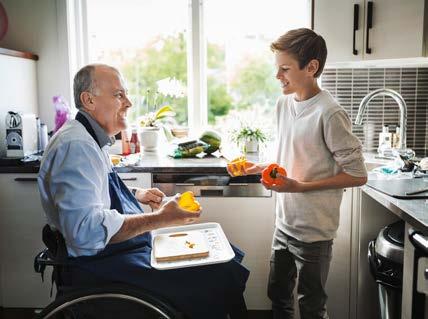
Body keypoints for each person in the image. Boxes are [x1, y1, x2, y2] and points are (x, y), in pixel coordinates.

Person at [38, 64, 249, 319]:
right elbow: (86, 231)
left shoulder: (91, 139)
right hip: (99, 268)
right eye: (118, 95)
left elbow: (94, 193)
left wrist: (136, 193)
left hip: (116, 255)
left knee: (224, 258)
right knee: (218, 273)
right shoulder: (77, 146)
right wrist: (161, 219)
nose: (128, 103)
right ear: (89, 99)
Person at [228, 28, 368, 319]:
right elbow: (289, 159)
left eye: (285, 69)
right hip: (284, 224)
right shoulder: (283, 104)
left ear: (311, 67)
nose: (278, 75)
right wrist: (259, 168)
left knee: (311, 306)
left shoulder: (329, 113)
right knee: (277, 297)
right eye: (277, 68)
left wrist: (300, 187)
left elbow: (358, 175)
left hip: (315, 232)